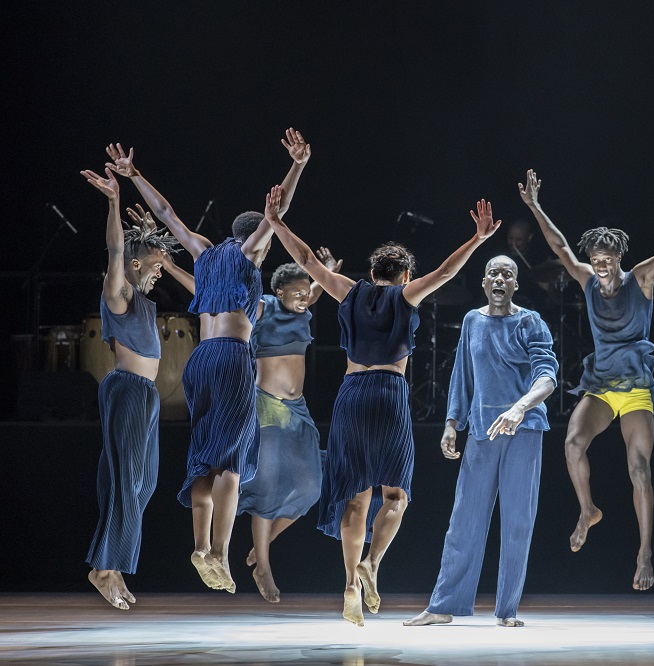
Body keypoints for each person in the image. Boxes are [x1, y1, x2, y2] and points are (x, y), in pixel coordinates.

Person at [263, 185, 501, 626]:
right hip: (389, 396)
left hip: (351, 395)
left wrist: (276, 223)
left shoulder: (349, 292)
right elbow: (447, 273)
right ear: (405, 275)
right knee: (396, 495)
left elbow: (308, 262)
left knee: (356, 498)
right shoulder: (406, 295)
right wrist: (477, 239)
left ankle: (350, 583)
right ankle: (372, 563)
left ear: (372, 273)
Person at [106, 128, 311, 593]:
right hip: (234, 359)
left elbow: (167, 213)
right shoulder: (249, 253)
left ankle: (200, 544)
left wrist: (135, 174)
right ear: (257, 241)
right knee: (231, 462)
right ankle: (219, 552)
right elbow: (278, 213)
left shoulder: (203, 252)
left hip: (201, 361)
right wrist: (297, 166)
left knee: (204, 458)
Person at [517, 158, 654, 591]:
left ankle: (644, 554)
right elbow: (560, 246)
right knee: (572, 444)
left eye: (606, 259)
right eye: (595, 259)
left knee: (639, 469)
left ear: (619, 256)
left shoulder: (641, 279)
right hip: (601, 387)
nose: (600, 265)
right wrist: (535, 206)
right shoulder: (584, 278)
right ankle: (588, 509)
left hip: (637, 389)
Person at [404, 255, 557, 628]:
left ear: (515, 284)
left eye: (508, 273)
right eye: (494, 273)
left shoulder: (530, 321)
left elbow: (548, 375)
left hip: (523, 429)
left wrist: (520, 408)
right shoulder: (472, 321)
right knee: (464, 520)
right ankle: (443, 606)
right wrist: (451, 422)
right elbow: (462, 374)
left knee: (518, 520)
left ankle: (507, 611)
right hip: (481, 430)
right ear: (485, 282)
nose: (500, 278)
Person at [79, 166, 181, 610]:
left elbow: (139, 247)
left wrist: (151, 234)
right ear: (135, 265)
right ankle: (104, 568)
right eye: (156, 267)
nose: (162, 274)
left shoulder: (140, 299)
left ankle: (112, 563)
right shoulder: (117, 293)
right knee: (127, 480)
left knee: (142, 483)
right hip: (126, 390)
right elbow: (117, 247)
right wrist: (114, 201)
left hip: (145, 395)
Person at [237, 252, 341, 603]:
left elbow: (314, 291)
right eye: (295, 292)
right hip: (266, 406)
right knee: (265, 487)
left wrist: (324, 273)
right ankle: (263, 566)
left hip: (297, 410)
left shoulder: (304, 308)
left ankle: (262, 545)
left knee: (312, 486)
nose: (303, 297)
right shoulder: (266, 306)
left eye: (305, 293)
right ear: (279, 292)